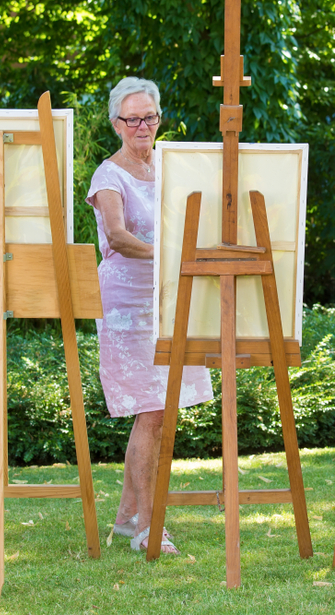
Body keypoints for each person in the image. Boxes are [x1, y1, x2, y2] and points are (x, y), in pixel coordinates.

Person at [86, 77, 213, 554]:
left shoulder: (173, 166)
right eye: (132, 118)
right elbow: (117, 237)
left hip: (173, 297)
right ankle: (147, 525)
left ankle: (125, 516)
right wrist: (170, 255)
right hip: (127, 306)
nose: (142, 126)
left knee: (163, 412)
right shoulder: (108, 175)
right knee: (153, 413)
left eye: (150, 116)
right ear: (116, 123)